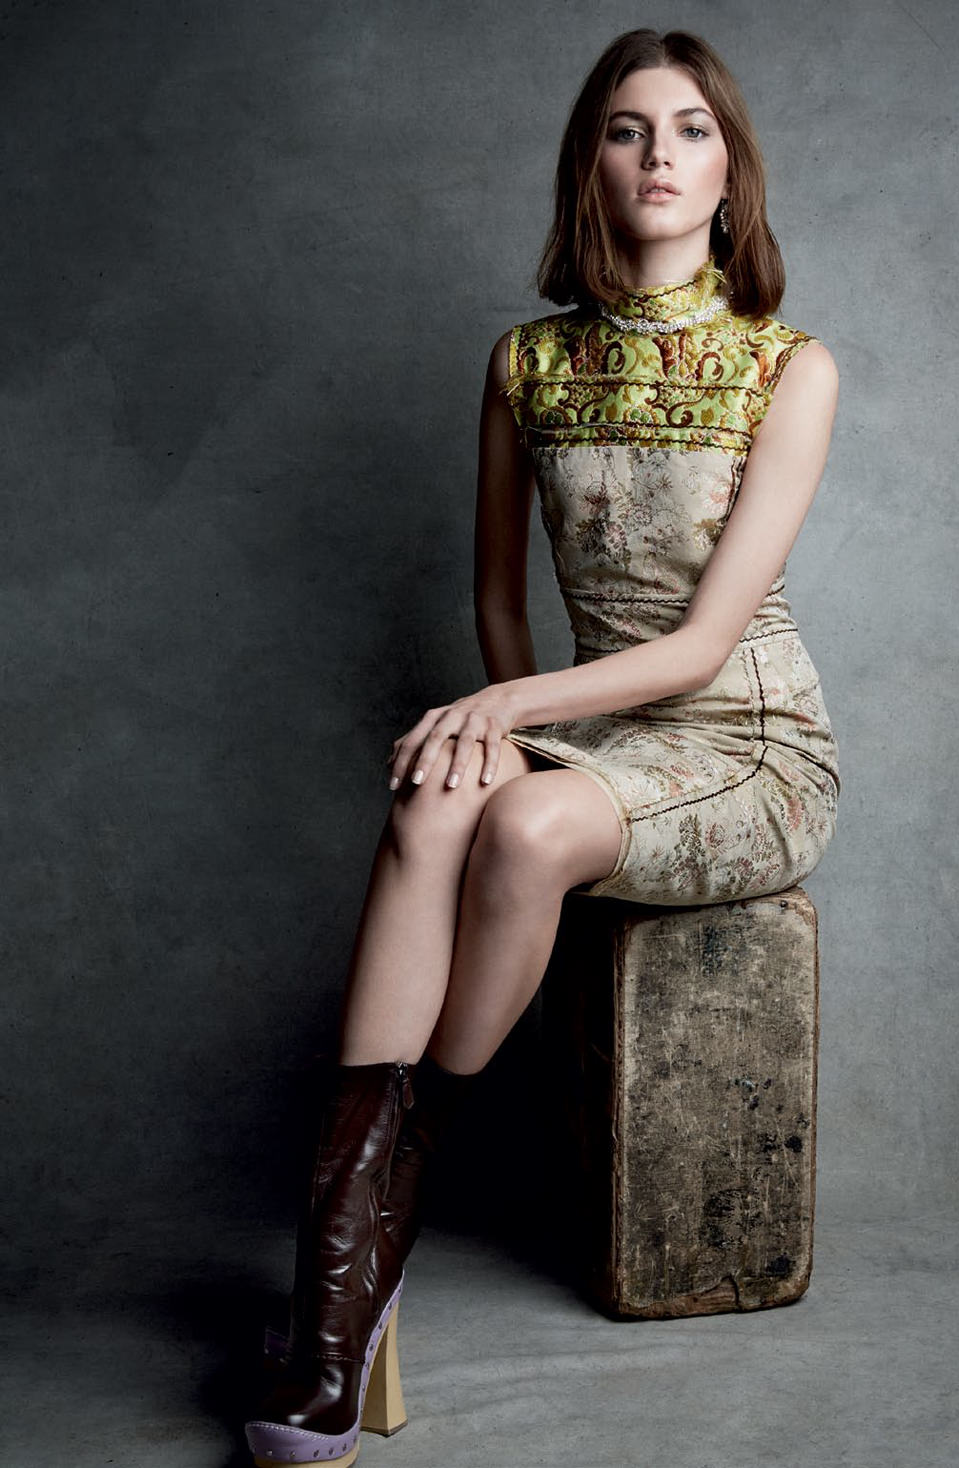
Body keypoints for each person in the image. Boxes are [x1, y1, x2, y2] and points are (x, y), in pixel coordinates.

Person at [244, 25, 841, 1467]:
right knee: (435, 798)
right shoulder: (527, 363)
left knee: (512, 817)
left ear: (730, 171)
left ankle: (396, 1191)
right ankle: (341, 1295)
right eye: (628, 129)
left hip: (751, 743)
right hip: (595, 732)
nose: (659, 156)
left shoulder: (790, 369)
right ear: (592, 163)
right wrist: (504, 728)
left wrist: (509, 719)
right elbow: (501, 602)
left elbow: (700, 650)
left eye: (691, 130)